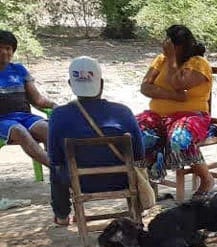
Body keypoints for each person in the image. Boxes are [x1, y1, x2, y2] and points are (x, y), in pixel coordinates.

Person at [47, 57, 143, 227]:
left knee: (55, 170)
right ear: (101, 83)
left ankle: (62, 216)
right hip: (122, 179)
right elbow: (139, 153)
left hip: (80, 183)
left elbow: (55, 158)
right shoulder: (123, 112)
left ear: (71, 84)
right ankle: (137, 211)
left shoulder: (58, 115)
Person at [137, 24, 214, 195]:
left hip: (191, 116)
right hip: (157, 116)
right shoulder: (160, 60)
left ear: (178, 46)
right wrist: (175, 96)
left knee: (179, 139)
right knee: (138, 135)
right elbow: (145, 87)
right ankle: (149, 184)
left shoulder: (198, 64)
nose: (164, 45)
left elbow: (178, 83)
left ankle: (207, 178)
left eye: (169, 43)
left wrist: (172, 59)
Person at [0, 30, 56, 167]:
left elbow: (37, 100)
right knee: (20, 131)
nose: (4, 52)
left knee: (48, 129)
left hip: (25, 117)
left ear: (13, 50)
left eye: (8, 48)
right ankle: (57, 170)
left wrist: (56, 106)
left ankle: (57, 175)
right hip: (2, 120)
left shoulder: (19, 70)